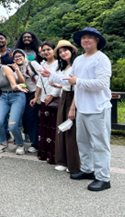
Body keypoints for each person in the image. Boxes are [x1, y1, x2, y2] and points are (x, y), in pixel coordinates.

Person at [40, 28, 112, 192]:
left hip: (97, 108)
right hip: (82, 108)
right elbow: (68, 79)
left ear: (97, 40)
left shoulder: (102, 59)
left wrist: (77, 81)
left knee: (100, 144)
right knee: (83, 142)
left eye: (90, 38)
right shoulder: (79, 60)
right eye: (83, 38)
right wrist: (49, 75)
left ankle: (103, 178)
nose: (86, 40)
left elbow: (101, 83)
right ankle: (87, 169)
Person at [47, 40, 81, 173]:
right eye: (60, 52)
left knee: (72, 131)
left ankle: (74, 164)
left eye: (65, 50)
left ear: (72, 51)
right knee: (62, 128)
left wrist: (73, 107)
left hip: (73, 98)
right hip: (64, 96)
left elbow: (77, 87)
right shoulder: (64, 67)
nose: (63, 53)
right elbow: (67, 83)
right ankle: (63, 160)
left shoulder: (77, 66)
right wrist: (58, 85)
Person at [30, 41, 59, 164]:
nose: (46, 52)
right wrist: (36, 96)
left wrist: (52, 95)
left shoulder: (58, 64)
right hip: (43, 99)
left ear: (54, 50)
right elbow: (40, 82)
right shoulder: (42, 64)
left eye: (48, 49)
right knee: (44, 126)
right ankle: (43, 152)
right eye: (43, 50)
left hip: (54, 98)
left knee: (53, 127)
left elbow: (61, 82)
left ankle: (52, 154)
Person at [12, 49, 39, 152]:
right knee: (29, 118)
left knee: (32, 118)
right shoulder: (16, 69)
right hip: (25, 94)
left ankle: (36, 143)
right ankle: (34, 142)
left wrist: (37, 95)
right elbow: (18, 82)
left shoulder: (33, 64)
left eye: (20, 56)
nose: (18, 58)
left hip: (37, 93)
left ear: (24, 56)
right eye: (15, 57)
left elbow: (41, 77)